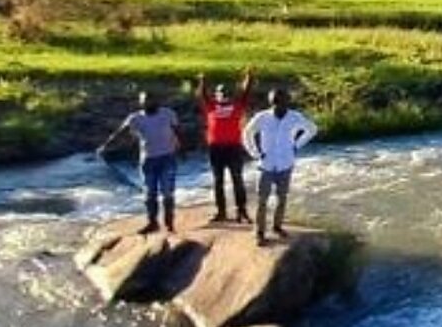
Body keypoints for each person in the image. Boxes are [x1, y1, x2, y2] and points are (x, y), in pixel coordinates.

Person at [98, 90, 181, 235]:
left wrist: (180, 148)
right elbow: (120, 132)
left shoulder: (168, 113)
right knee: (150, 193)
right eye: (144, 101)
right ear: (140, 103)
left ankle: (169, 224)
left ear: (157, 101)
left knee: (168, 192)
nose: (148, 103)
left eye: (150, 100)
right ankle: (152, 223)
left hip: (167, 157)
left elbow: (178, 131)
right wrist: (105, 145)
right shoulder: (135, 118)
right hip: (148, 160)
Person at [242, 87, 318, 247]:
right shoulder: (262, 117)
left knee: (281, 198)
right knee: (262, 200)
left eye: (281, 102)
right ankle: (259, 232)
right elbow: (247, 133)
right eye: (275, 102)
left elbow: (312, 129)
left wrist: (297, 145)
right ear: (271, 102)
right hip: (266, 164)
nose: (278, 105)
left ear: (287, 102)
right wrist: (255, 152)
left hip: (285, 163)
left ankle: (277, 227)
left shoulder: (294, 117)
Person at [195, 66, 254, 224]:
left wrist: (249, 77)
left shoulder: (237, 105)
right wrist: (202, 81)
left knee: (237, 179)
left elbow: (245, 92)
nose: (223, 95)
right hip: (216, 149)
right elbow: (202, 94)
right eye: (220, 93)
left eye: (226, 93)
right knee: (218, 180)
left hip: (233, 148)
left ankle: (241, 211)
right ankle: (221, 212)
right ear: (216, 95)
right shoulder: (211, 106)